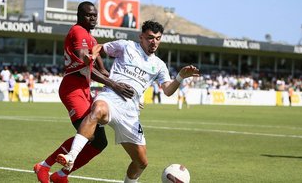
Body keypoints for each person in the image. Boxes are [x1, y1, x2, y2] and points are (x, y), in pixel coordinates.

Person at [56, 20, 199, 182]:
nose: (154, 42)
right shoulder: (126, 46)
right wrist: (93, 55)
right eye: (150, 38)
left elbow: (167, 91)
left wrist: (180, 77)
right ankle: (71, 156)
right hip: (111, 98)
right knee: (98, 109)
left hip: (130, 113)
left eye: (158, 38)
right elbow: (100, 46)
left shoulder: (159, 65)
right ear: (141, 37)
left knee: (141, 162)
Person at [33, 1, 134, 183]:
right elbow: (84, 67)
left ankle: (61, 175)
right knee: (91, 135)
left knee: (100, 142)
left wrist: (126, 86)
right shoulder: (78, 32)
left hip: (84, 90)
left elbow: (103, 71)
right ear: (79, 16)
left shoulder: (92, 39)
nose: (93, 18)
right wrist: (114, 85)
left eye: (95, 15)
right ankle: (44, 166)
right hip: (72, 88)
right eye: (89, 15)